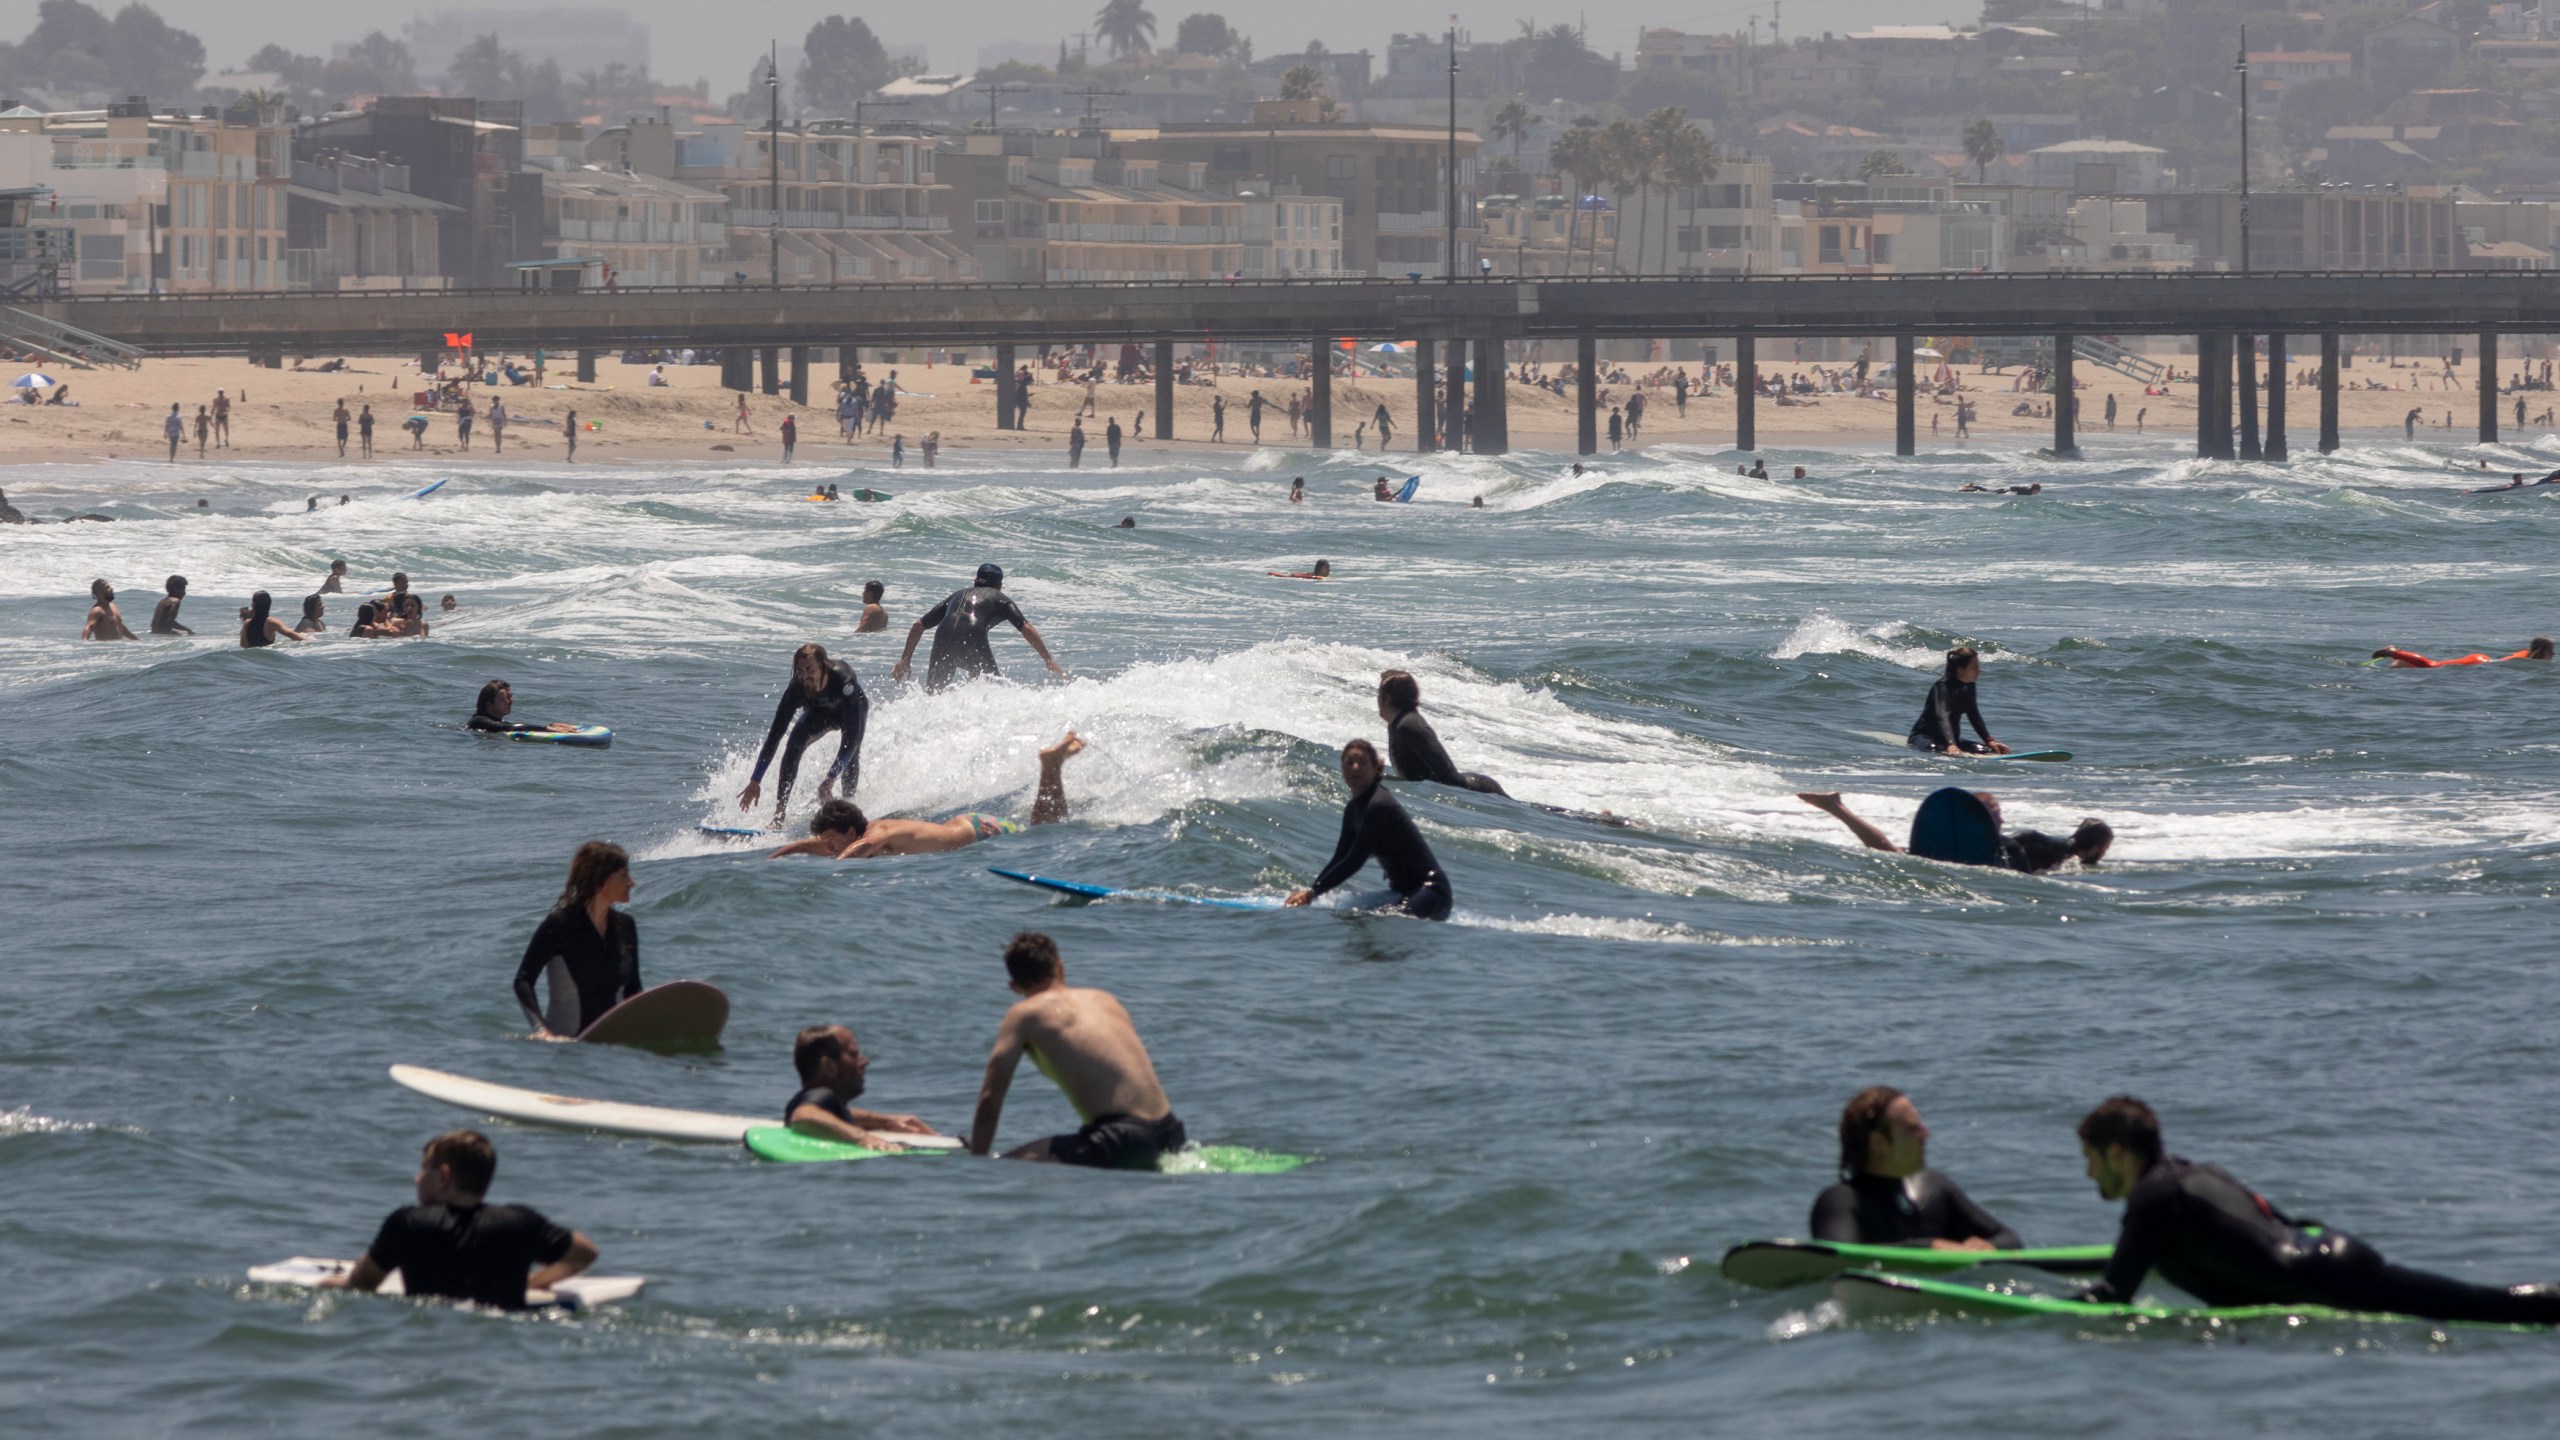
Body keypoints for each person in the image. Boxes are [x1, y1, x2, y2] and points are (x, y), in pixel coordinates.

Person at [2074, 1096, 2560, 1323]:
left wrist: (2034, 1315)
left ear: (2117, 1152)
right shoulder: (2194, 1175)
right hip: (2328, 1255)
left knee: (2487, 1309)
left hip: (2324, 1277)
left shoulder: (2152, 1198)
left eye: (2091, 1160)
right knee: (2479, 1304)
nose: (2090, 1175)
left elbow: (2115, 1292)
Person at [966, 932, 1187, 1169]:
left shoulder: (1024, 1015)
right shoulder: (1105, 999)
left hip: (1123, 1140)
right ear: (1060, 968)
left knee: (1003, 1165)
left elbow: (990, 1098)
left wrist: (976, 1163)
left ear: (1014, 986)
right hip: (1171, 1133)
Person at [319, 1130, 597, 1312]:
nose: (416, 1179)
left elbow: (361, 1284)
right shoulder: (519, 1222)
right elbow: (585, 1254)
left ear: (443, 1176)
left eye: (423, 1169)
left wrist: (321, 1285)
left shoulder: (408, 1223)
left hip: (427, 1333)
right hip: (502, 1337)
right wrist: (535, 1282)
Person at [767, 733, 1082, 859]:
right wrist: (779, 855)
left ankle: (1051, 766)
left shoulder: (876, 833)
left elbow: (863, 847)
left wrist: (836, 867)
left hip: (981, 832)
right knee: (1042, 830)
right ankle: (1055, 763)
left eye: (834, 840)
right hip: (969, 828)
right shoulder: (859, 833)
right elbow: (819, 844)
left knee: (1046, 833)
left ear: (850, 831)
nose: (831, 846)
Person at [1811, 1086, 2021, 1250]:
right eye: (1913, 1129)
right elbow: (1838, 1259)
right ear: (1879, 1143)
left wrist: (1988, 1247)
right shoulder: (1840, 1200)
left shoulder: (1933, 1189)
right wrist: (1929, 1247)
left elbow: (2010, 1239)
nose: (1926, 1134)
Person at [1285, 738, 1453, 920]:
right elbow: (1340, 857)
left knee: (1392, 919)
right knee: (1347, 910)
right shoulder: (1354, 809)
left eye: (1362, 763)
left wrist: (1313, 894)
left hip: (1432, 893)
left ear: (1376, 769)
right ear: (1342, 769)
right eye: (1349, 763)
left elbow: (1355, 860)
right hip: (1403, 892)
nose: (1355, 767)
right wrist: (1311, 890)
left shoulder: (1379, 805)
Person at [1797, 788, 2113, 874]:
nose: (2000, 822)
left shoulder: (2024, 844)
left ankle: (1836, 807)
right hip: (1985, 860)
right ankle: (1836, 807)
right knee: (1892, 855)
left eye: (1999, 816)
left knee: (1894, 854)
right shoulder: (2018, 846)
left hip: (2014, 857)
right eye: (1994, 816)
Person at [512, 841, 640, 1039]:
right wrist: (541, 1030)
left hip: (613, 1047)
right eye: (623, 875)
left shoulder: (625, 926)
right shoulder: (560, 925)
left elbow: (633, 989)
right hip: (567, 1048)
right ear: (600, 882)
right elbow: (523, 981)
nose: (632, 882)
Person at [739, 643, 870, 826]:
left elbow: (851, 741)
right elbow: (774, 736)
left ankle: (850, 807)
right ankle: (779, 816)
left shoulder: (843, 681)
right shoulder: (796, 690)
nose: (804, 676)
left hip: (851, 709)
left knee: (852, 750)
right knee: (792, 747)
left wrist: (830, 779)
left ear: (823, 665)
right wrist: (755, 780)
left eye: (809, 669)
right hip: (818, 713)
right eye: (799, 670)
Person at [891, 563, 1064, 692]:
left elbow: (918, 625)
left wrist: (905, 660)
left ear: (975, 581)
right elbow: (1025, 627)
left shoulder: (956, 595)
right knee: (993, 689)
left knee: (934, 693)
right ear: (1000, 585)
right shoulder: (1000, 597)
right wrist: (1047, 658)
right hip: (972, 635)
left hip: (943, 634)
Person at [784, 1024, 943, 1149]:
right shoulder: (823, 1096)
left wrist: (886, 1121)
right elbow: (804, 1115)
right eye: (853, 1054)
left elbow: (826, 1111)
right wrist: (865, 1138)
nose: (865, 1061)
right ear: (829, 1066)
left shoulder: (814, 1099)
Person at [1378, 669, 1505, 795]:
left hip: (1481, 791)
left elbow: (1448, 776)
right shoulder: (1397, 724)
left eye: (1379, 694)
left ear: (1387, 698)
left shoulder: (1409, 726)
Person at [1909, 646, 2010, 755]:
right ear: (1960, 669)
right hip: (1924, 737)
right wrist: (1951, 744)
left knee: (1988, 751)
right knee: (1935, 748)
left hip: (1951, 740)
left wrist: (1989, 741)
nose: (1979, 670)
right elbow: (1942, 717)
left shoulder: (1969, 686)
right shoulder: (1943, 687)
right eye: (1974, 667)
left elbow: (1974, 716)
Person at [469, 679, 578, 735]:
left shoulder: (495, 722)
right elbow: (508, 728)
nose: (510, 702)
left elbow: (508, 725)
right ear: (489, 704)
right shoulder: (478, 721)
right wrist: (546, 729)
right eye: (503, 699)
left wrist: (550, 725)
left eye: (510, 697)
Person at [2372, 638, 2554, 667]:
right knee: (2431, 665)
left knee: (2434, 665)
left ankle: (2403, 663)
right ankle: (2393, 652)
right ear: (2544, 651)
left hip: (2481, 660)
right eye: (2551, 652)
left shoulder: (2524, 653)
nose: (2553, 656)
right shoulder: (2529, 661)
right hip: (2478, 663)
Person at [238, 590, 309, 647]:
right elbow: (291, 634)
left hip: (251, 660)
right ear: (269, 604)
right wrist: (307, 641)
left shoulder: (247, 622)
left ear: (253, 604)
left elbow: (243, 645)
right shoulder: (272, 622)